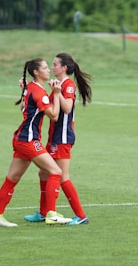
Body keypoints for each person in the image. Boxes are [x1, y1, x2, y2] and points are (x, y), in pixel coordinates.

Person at [0, 58, 74, 227]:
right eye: (44, 68)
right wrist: (57, 94)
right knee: (55, 171)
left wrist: (24, 87)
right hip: (29, 140)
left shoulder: (31, 88)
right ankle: (51, 213)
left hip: (20, 139)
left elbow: (26, 103)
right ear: (36, 72)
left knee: (12, 178)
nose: (48, 70)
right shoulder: (38, 92)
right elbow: (55, 115)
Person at [24, 53, 93, 226]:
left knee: (62, 177)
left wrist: (57, 93)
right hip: (54, 137)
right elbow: (43, 102)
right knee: (44, 172)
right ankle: (43, 212)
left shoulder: (67, 85)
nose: (52, 67)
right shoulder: (58, 84)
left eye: (55, 64)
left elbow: (67, 108)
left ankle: (80, 215)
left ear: (64, 68)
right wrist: (25, 87)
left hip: (63, 137)